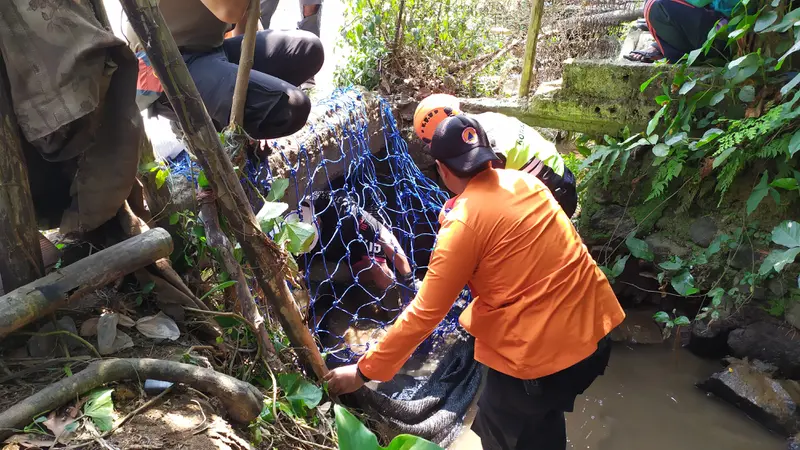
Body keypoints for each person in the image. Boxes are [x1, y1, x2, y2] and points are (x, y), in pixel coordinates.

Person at [325, 114, 625, 450]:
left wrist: (363, 372)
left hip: (543, 361)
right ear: (487, 155)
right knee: (539, 421)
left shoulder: (462, 225)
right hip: (596, 334)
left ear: (442, 169)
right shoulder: (526, 183)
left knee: (502, 432)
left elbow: (426, 313)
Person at [126, 0, 324, 140]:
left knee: (309, 49)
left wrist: (256, 90)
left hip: (212, 50)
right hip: (168, 69)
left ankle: (229, 119)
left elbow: (243, 15)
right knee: (292, 108)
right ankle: (200, 126)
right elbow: (230, 9)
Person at [413, 94, 578, 217]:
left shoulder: (483, 148)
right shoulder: (482, 122)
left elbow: (485, 199)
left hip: (554, 196)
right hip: (560, 177)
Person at [295, 191, 417, 294]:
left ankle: (395, 298)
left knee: (378, 269)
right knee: (360, 275)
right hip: (339, 239)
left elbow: (384, 236)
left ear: (317, 220)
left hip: (360, 217)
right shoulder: (297, 224)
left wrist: (409, 279)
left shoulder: (344, 211)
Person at [625, 0, 737, 63]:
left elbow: (698, 2)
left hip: (726, 34)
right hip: (718, 25)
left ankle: (669, 51)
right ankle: (662, 47)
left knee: (656, 5)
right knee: (655, 7)